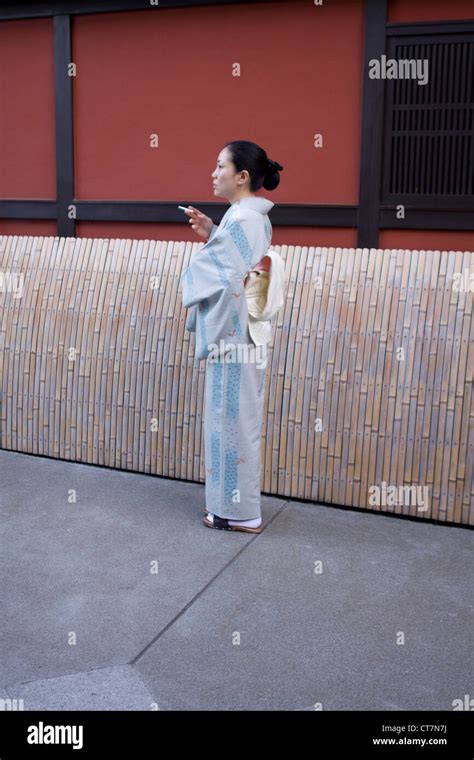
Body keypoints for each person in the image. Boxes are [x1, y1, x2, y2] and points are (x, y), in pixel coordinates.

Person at [180, 140, 284, 533]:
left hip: (234, 336)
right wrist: (212, 232)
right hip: (238, 332)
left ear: (242, 176)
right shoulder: (243, 219)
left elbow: (216, 272)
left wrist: (204, 254)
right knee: (233, 418)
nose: (213, 173)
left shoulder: (245, 220)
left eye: (220, 166)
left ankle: (237, 512)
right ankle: (233, 508)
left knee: (231, 419)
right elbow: (231, 264)